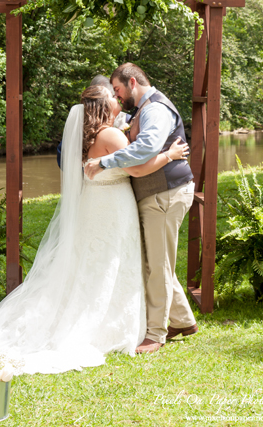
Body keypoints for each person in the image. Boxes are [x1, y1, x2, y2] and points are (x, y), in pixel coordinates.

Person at [0, 85, 188, 374]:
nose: (118, 99)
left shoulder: (87, 136)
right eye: (113, 97)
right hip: (112, 206)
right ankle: (112, 321)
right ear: (103, 106)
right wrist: (171, 154)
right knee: (111, 261)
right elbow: (137, 169)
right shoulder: (110, 135)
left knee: (94, 263)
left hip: (96, 205)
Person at [83, 63, 197, 354]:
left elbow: (146, 148)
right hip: (156, 192)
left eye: (118, 90)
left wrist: (106, 162)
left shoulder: (155, 110)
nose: (117, 97)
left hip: (166, 192)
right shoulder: (142, 110)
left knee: (157, 265)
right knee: (157, 262)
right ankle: (183, 320)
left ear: (132, 82)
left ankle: (156, 334)